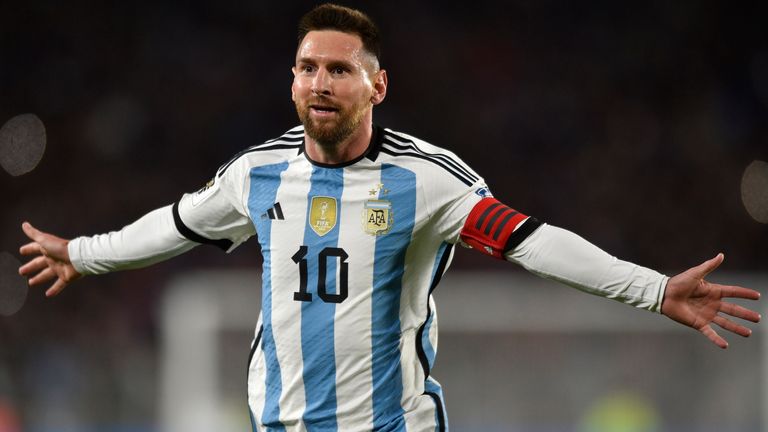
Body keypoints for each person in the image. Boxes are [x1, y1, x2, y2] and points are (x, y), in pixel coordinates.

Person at [18, 4, 761, 432]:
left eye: (339, 69)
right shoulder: (259, 173)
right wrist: (83, 254)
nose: (320, 82)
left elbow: (531, 242)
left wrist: (652, 289)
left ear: (377, 85)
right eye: (308, 67)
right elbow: (174, 224)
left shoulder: (425, 180)